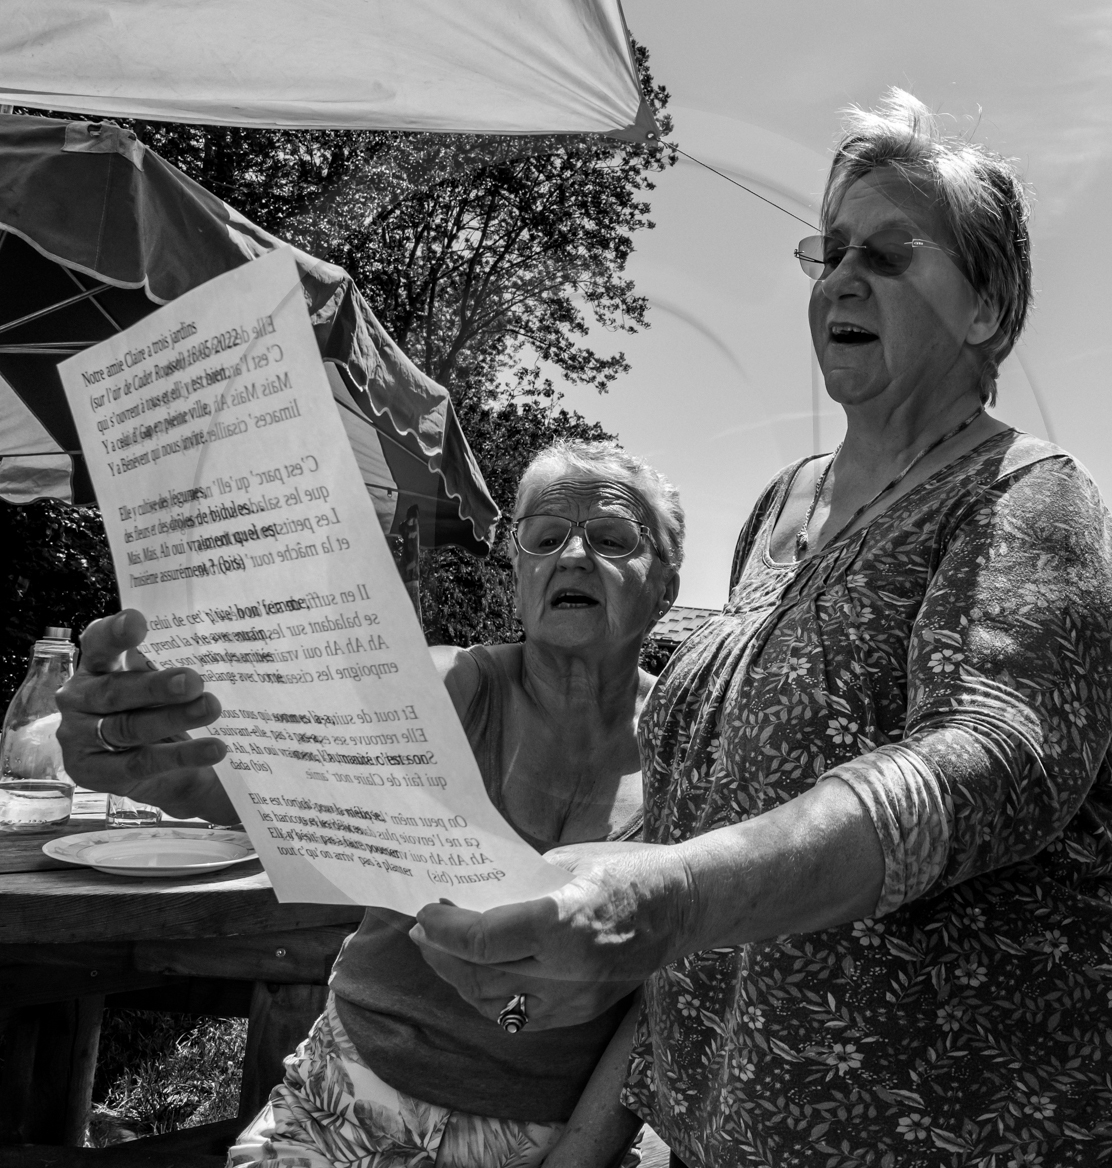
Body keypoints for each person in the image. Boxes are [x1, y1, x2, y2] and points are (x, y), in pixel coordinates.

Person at [406, 90, 1112, 1166]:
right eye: (830, 251)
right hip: (735, 1130)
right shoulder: (781, 508)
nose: (841, 279)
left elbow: (990, 760)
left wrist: (674, 899)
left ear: (987, 309)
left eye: (889, 253)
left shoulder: (1028, 496)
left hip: (993, 1134)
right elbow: (711, 819)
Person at [56, 439, 683, 1168]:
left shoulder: (689, 748)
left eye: (611, 537)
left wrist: (576, 1159)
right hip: (344, 1098)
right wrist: (170, 769)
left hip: (553, 1137)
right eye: (544, 538)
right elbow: (288, 777)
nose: (572, 555)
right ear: (518, 578)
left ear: (664, 586)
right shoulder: (449, 689)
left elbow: (669, 997)